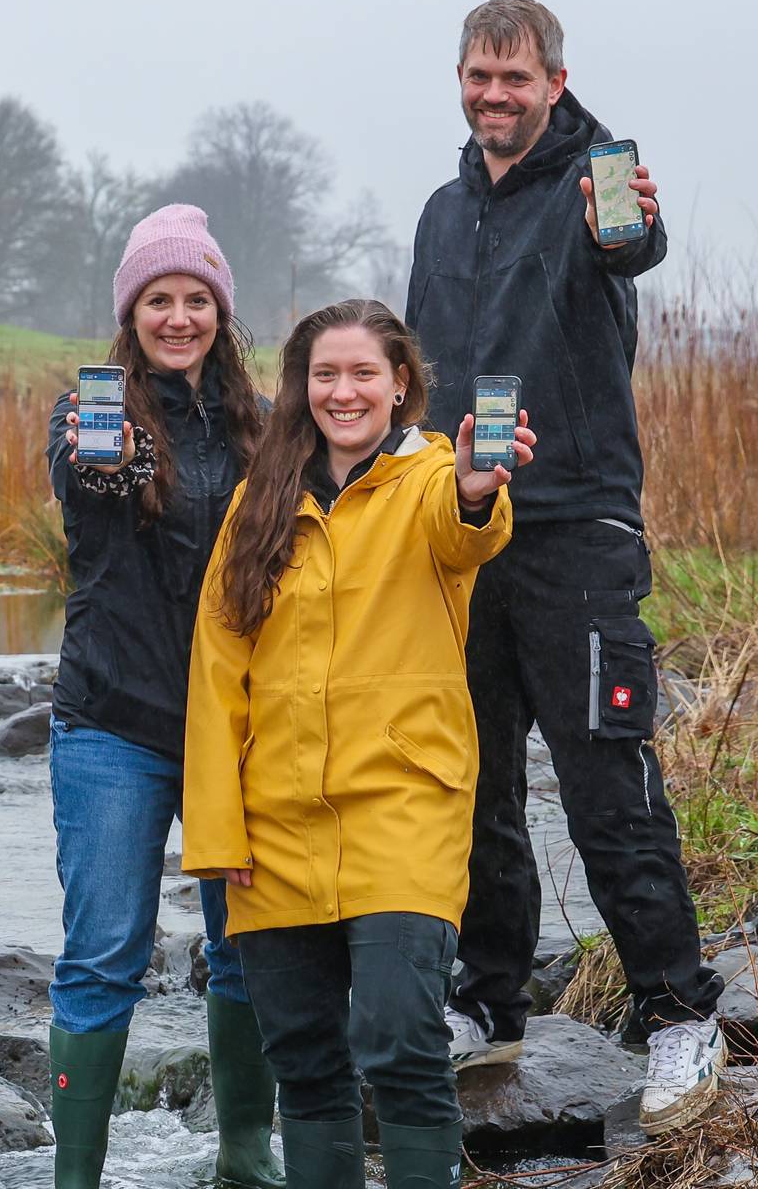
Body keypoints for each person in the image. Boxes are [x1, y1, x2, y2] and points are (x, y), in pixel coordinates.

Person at [403, 0, 728, 1133]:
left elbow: (637, 242)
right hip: (461, 533)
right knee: (476, 782)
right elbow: (414, 376)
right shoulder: (443, 214)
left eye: (515, 78)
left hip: (579, 534)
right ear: (460, 79)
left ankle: (682, 1012)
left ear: (554, 79)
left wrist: (630, 217)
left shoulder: (597, 184)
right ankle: (487, 1004)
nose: (495, 95)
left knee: (605, 784)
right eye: (478, 77)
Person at [184, 297, 531, 1189]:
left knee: (399, 1039)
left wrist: (477, 487)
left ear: (401, 384)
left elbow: (465, 535)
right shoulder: (254, 505)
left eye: (364, 373)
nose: (344, 392)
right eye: (325, 374)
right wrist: (218, 835)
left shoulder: (429, 483)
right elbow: (218, 679)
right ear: (302, 387)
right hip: (274, 828)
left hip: (403, 810)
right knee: (302, 1061)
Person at [41, 204, 284, 1189]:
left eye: (196, 299)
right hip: (113, 722)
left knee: (247, 949)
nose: (178, 317)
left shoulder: (262, 430)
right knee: (103, 953)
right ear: (131, 312)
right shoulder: (83, 419)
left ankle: (243, 1155)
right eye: (159, 299)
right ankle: (76, 1176)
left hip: (235, 731)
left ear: (220, 315)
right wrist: (117, 459)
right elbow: (87, 479)